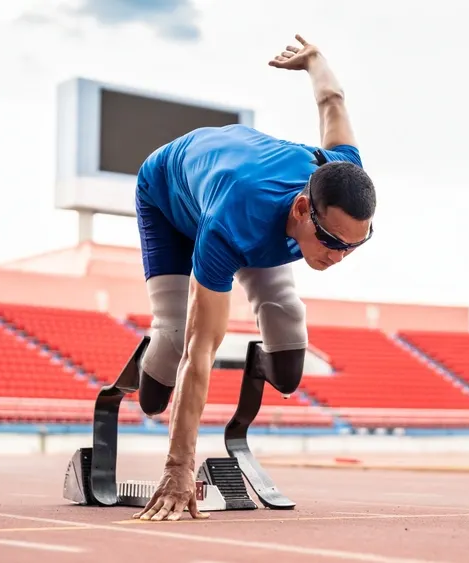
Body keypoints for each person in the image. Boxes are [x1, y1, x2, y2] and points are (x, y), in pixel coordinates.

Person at [129, 34, 375, 522]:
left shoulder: (342, 175)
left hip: (246, 194)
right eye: (333, 242)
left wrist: (315, 60)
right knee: (176, 341)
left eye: (355, 244)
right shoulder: (234, 220)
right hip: (168, 194)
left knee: (287, 335)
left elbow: (333, 102)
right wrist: (179, 467)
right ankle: (145, 371)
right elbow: (202, 350)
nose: (341, 255)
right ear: (304, 209)